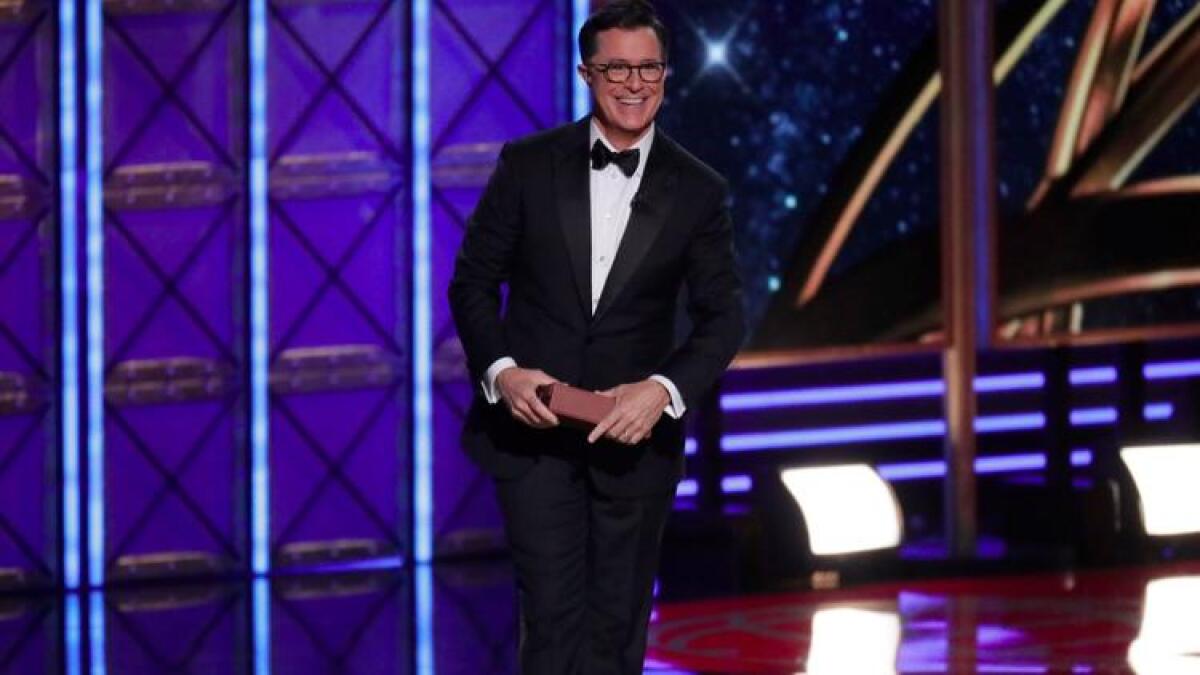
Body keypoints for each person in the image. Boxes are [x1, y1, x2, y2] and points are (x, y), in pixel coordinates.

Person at [448, 1, 744, 672]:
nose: (634, 82)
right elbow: (471, 282)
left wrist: (662, 391)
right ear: (587, 72)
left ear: (666, 76)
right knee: (550, 622)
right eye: (617, 67)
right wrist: (501, 371)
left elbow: (724, 316)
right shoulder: (527, 165)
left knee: (616, 629)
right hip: (534, 439)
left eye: (649, 67)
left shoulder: (699, 190)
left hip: (634, 444)